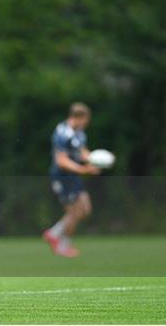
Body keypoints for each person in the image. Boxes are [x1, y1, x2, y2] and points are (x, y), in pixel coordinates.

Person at [43, 102, 100, 258]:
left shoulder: (79, 132)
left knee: (85, 209)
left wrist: (96, 160)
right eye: (86, 120)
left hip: (73, 176)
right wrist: (83, 169)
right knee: (74, 212)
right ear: (80, 118)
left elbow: (82, 152)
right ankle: (62, 244)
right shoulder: (62, 133)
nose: (86, 123)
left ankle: (53, 233)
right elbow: (61, 160)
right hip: (62, 177)